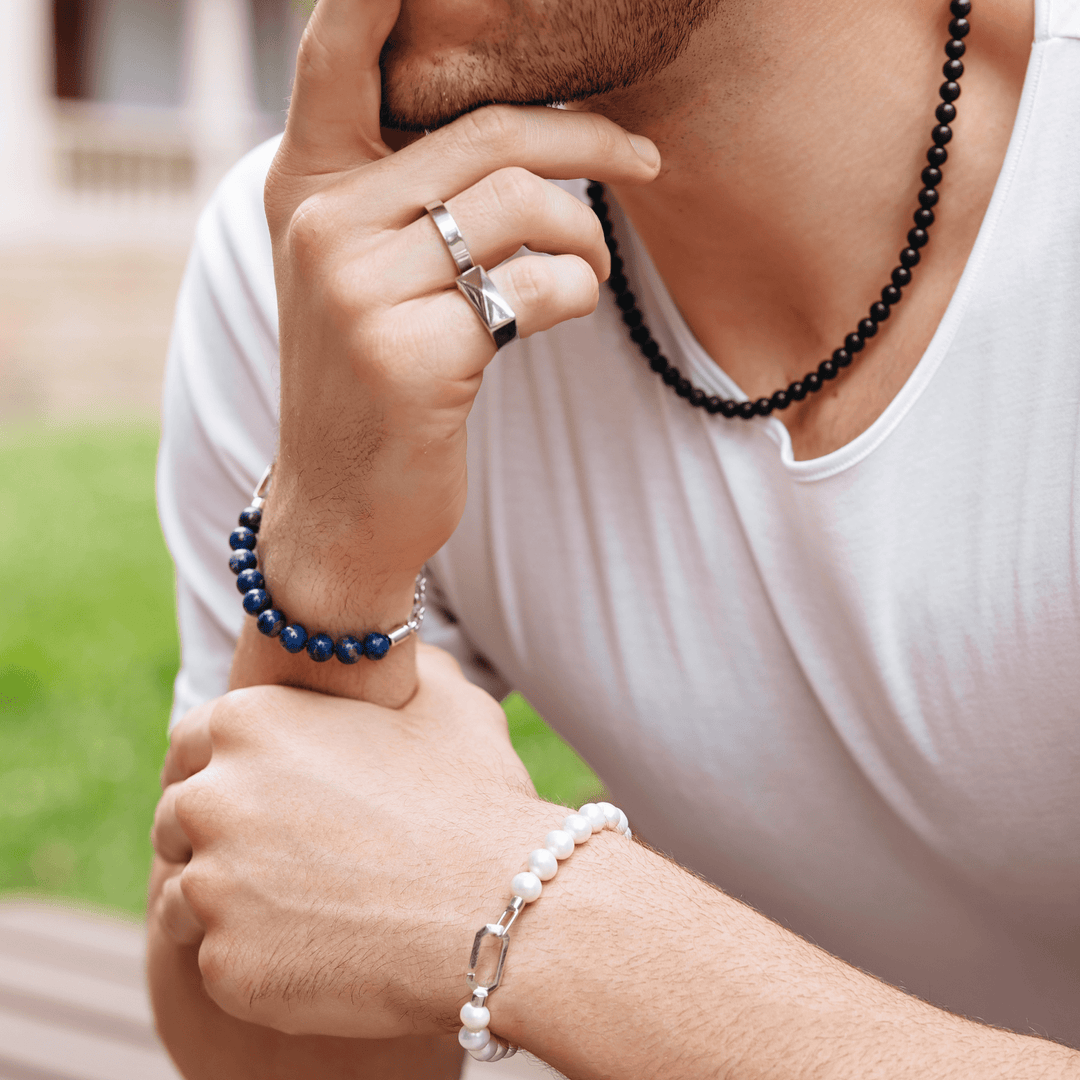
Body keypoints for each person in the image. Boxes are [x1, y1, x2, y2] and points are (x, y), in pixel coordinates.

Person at [146, 0, 1080, 1074]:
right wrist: (331, 545)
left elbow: (487, 911)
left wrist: (538, 912)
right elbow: (266, 1049)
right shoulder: (352, 255)